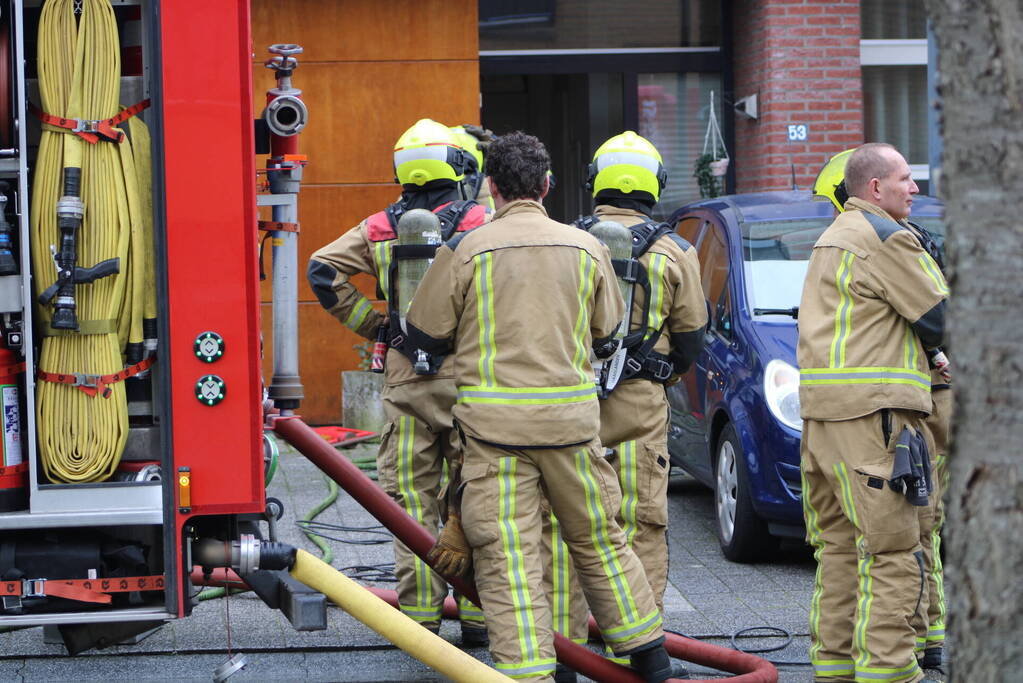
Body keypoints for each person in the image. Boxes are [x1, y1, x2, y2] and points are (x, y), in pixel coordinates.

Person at [405, 131, 679, 683]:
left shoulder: (465, 249)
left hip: (494, 438)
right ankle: (649, 655)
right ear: (547, 186)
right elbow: (607, 333)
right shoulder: (587, 247)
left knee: (510, 558)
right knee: (600, 540)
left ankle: (531, 673)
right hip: (573, 432)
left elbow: (424, 333)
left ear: (490, 187)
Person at [306, 118, 489, 645]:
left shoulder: (381, 227)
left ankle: (422, 621)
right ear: (457, 166)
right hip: (469, 381)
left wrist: (376, 325)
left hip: (407, 381)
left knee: (411, 500)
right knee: (473, 494)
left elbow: (323, 271)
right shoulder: (482, 220)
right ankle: (477, 617)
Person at [798, 142, 948, 683]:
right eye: (905, 178)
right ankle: (888, 672)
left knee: (838, 549)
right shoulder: (886, 237)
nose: (915, 187)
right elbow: (942, 316)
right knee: (891, 551)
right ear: (874, 188)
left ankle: (834, 667)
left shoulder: (831, 238)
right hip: (875, 421)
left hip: (823, 424)